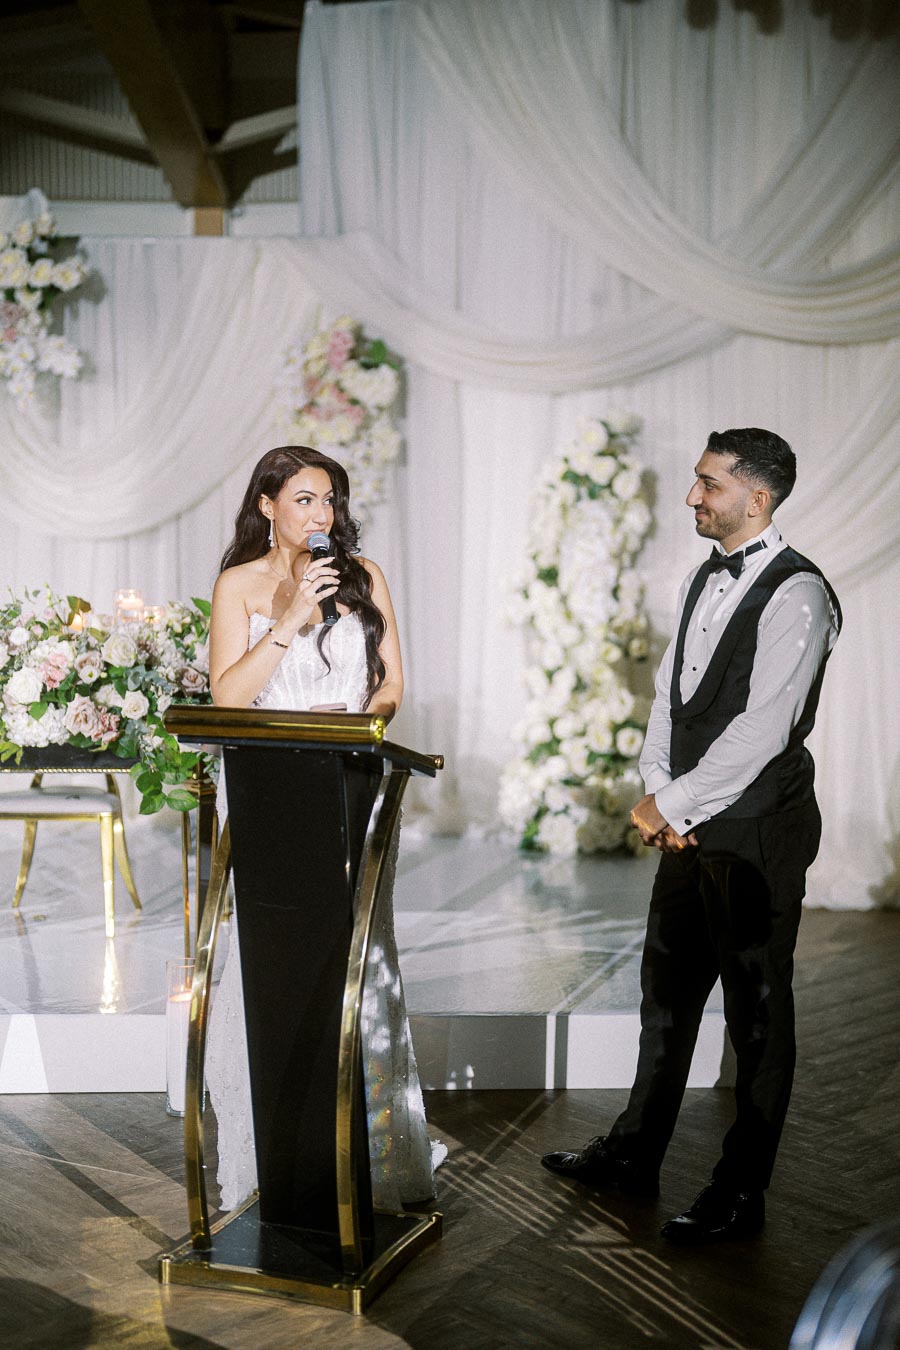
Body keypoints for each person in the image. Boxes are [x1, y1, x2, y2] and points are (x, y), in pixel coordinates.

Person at [541, 428, 841, 1246]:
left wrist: (676, 804)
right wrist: (659, 792)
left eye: (709, 484)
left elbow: (765, 727)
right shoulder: (701, 577)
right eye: (697, 480)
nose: (693, 497)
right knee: (666, 999)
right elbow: (667, 696)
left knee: (757, 1013)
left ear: (759, 497)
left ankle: (741, 1193)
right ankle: (635, 1154)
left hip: (757, 833)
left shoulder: (799, 595)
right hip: (690, 822)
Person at [205, 445, 444, 1212]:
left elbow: (392, 685)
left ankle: (364, 1152)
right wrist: (290, 622)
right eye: (305, 500)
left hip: (352, 786)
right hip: (272, 793)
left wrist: (359, 728)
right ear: (268, 505)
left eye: (330, 501)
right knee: (277, 958)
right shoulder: (238, 586)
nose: (322, 516)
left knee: (356, 956)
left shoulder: (364, 578)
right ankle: (281, 1153)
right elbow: (227, 702)